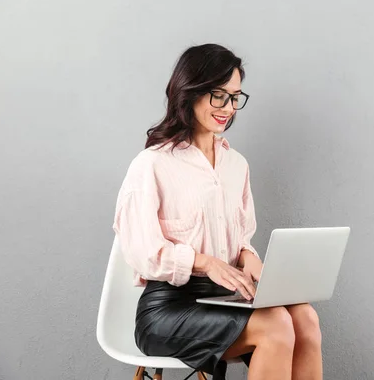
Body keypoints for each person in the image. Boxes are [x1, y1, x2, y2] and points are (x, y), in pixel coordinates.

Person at [112, 44, 322, 380]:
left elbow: (240, 240)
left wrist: (249, 258)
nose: (228, 107)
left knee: (305, 318)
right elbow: (142, 252)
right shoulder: (152, 164)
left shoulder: (236, 165)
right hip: (168, 308)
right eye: (218, 95)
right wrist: (205, 262)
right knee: (276, 325)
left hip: (223, 298)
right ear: (190, 91)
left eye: (235, 97)